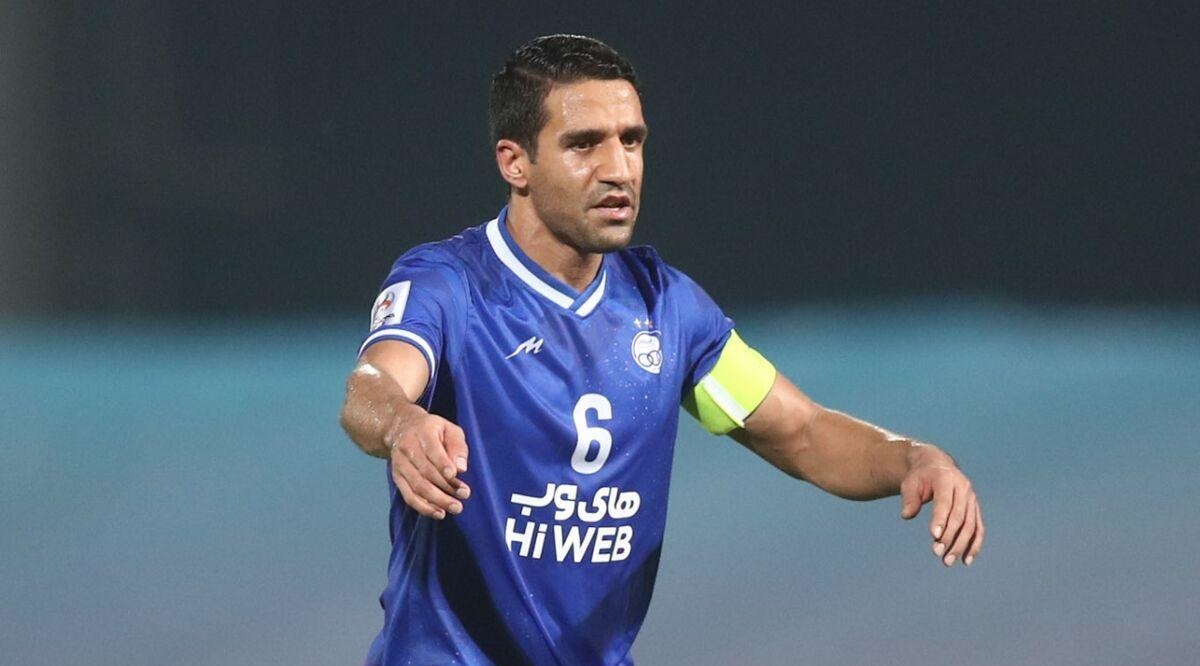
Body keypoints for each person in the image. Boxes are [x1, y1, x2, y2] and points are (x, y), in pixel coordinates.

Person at [339, 34, 983, 666]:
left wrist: (914, 458)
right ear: (515, 163)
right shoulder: (449, 284)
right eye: (583, 144)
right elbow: (372, 385)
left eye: (631, 140)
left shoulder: (669, 309)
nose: (618, 169)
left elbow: (804, 434)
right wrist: (403, 425)